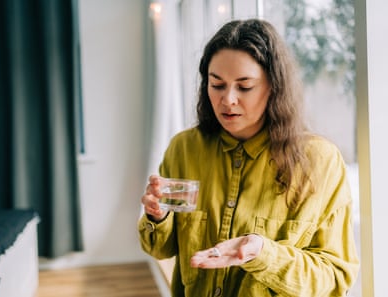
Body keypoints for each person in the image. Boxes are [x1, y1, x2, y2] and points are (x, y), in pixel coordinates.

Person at [138, 19, 359, 297]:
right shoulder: (184, 149)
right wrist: (158, 216)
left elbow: (335, 277)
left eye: (244, 87)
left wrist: (263, 254)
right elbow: (160, 248)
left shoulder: (319, 162)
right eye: (217, 84)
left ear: (274, 87)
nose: (228, 99)